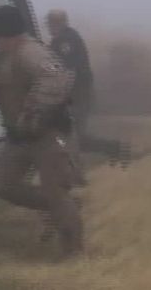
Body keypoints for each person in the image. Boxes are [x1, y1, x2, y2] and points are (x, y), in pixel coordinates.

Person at [0, 5, 83, 258]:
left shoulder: (31, 52)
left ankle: (74, 254)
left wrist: (34, 111)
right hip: (18, 137)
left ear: (4, 33)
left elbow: (56, 80)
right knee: (4, 186)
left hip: (47, 135)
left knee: (55, 192)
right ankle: (64, 208)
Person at [46, 9, 130, 176]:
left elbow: (68, 69)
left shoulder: (65, 41)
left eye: (50, 23)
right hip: (77, 94)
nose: (48, 27)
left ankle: (115, 149)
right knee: (74, 137)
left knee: (75, 138)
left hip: (77, 95)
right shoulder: (66, 38)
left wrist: (60, 94)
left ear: (59, 23)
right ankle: (114, 149)